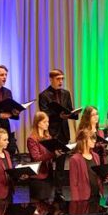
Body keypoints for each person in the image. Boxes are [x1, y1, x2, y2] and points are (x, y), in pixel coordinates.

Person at [39, 69, 74, 200]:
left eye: (62, 79)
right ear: (51, 79)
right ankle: (47, 190)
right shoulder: (44, 95)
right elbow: (44, 113)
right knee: (48, 163)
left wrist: (71, 114)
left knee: (60, 165)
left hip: (64, 132)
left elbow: (70, 109)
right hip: (51, 133)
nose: (61, 81)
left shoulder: (66, 94)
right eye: (58, 79)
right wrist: (57, 114)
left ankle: (59, 191)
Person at [77, 106, 108, 204]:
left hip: (99, 161)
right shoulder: (83, 131)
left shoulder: (100, 131)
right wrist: (97, 145)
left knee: (99, 190)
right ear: (87, 117)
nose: (96, 117)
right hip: (88, 162)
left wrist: (105, 144)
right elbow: (81, 149)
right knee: (89, 189)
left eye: (97, 114)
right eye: (93, 115)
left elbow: (102, 150)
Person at [27, 112, 62, 202]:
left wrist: (58, 153)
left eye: (48, 121)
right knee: (39, 205)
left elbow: (50, 155)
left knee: (47, 203)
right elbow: (36, 158)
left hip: (48, 174)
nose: (48, 124)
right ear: (38, 123)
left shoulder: (48, 136)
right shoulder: (32, 139)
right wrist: (52, 154)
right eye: (45, 122)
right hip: (38, 176)